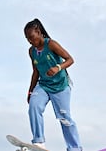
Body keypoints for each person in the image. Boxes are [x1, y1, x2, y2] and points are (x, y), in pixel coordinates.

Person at [24, 18, 83, 151]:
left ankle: (75, 148)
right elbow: (35, 72)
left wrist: (58, 67)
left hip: (60, 86)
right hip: (43, 85)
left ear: (38, 32)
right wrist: (30, 91)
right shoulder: (31, 51)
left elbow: (70, 59)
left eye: (31, 37)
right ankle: (38, 141)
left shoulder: (51, 44)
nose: (30, 41)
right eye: (27, 39)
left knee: (65, 118)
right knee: (34, 106)